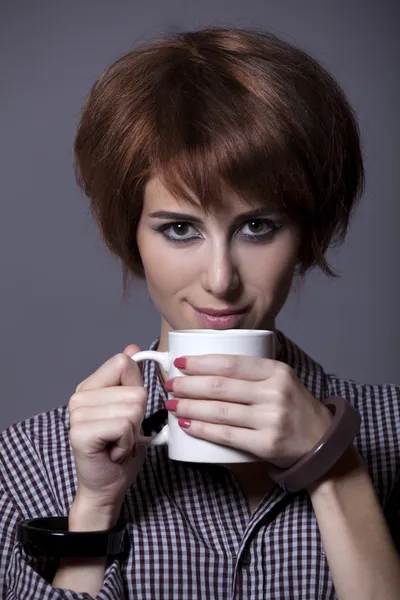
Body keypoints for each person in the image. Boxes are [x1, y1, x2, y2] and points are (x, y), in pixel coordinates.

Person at [0, 25, 399, 600]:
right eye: (180, 229)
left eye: (258, 226)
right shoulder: (29, 464)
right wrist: (94, 506)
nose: (220, 279)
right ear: (131, 235)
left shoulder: (392, 433)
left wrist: (331, 464)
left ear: (307, 233)